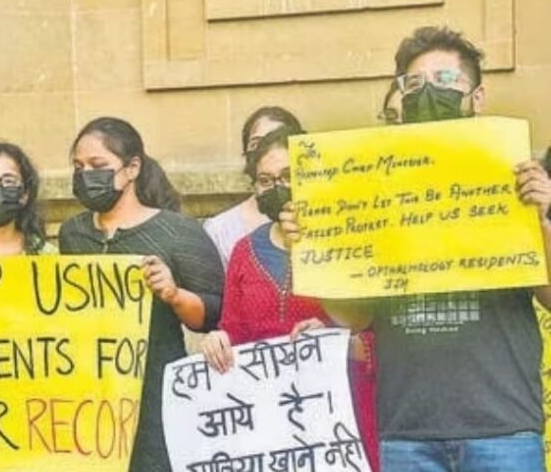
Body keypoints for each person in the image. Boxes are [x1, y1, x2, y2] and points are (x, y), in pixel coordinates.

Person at [279, 26, 550, 471]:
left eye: (445, 80)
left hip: (503, 429)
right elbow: (357, 317)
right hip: (408, 433)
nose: (429, 93)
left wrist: (539, 220)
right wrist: (310, 250)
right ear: (400, 97)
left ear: (477, 97)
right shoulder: (370, 187)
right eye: (415, 84)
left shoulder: (514, 178)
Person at [200, 127, 379, 471]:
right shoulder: (244, 250)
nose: (277, 188)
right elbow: (233, 330)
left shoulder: (350, 242)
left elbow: (381, 332)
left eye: (288, 176)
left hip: (345, 415)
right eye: (265, 181)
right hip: (273, 425)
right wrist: (218, 340)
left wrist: (340, 342)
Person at [58, 116, 224, 471]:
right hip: (93, 394)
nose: (86, 175)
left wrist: (173, 293)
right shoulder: (72, 234)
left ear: (132, 168)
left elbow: (212, 314)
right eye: (78, 167)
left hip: (157, 393)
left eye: (98, 166)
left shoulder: (177, 232)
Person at [203, 106, 303, 267]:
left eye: (279, 139)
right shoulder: (220, 230)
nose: (269, 151)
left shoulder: (328, 219)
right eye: (258, 144)